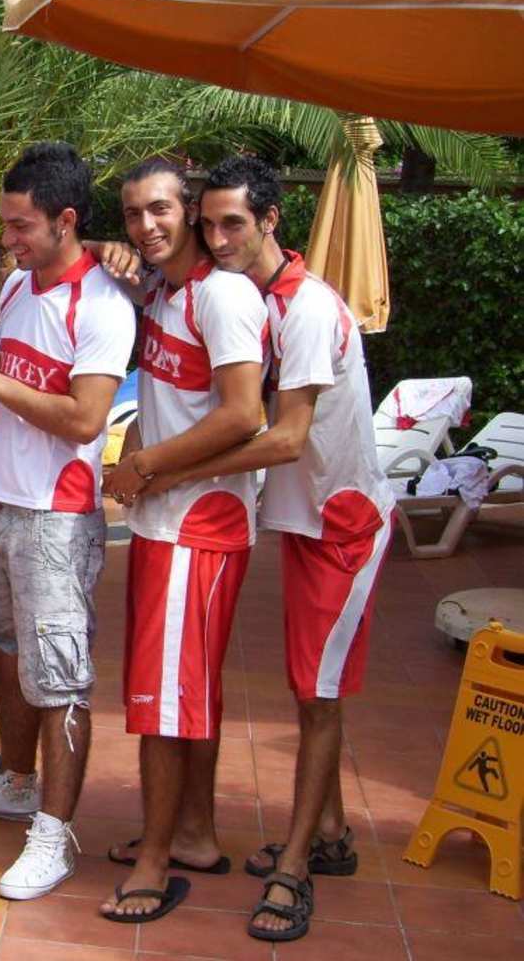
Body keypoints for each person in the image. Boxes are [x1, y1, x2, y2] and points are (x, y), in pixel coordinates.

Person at [144, 156, 394, 942]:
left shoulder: (308, 309)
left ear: (270, 221)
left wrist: (167, 470)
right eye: (209, 224)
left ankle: (292, 867)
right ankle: (331, 834)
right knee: (311, 683)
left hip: (342, 523)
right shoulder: (251, 296)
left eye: (235, 225)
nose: (218, 239)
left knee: (317, 697)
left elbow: (283, 438)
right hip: (305, 519)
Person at [0, 142, 135, 901]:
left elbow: (86, 419)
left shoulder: (104, 305)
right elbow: (9, 368)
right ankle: (17, 781)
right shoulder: (19, 285)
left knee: (60, 678)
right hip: (1, 500)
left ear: (66, 220)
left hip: (58, 516)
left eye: (21, 226)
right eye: (6, 223)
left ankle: (54, 835)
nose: (8, 240)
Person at [95, 160, 267, 923]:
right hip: (172, 522)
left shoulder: (223, 296)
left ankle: (155, 863)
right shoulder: (169, 291)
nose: (145, 226)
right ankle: (193, 832)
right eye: (133, 214)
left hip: (196, 527)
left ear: (190, 209)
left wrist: (145, 465)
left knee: (161, 703)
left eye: (159, 210)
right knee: (186, 692)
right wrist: (109, 251)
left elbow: (243, 414)